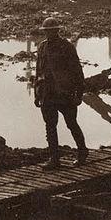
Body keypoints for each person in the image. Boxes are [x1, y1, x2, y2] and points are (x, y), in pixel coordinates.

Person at [35, 17, 88, 170]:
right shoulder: (42, 47)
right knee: (50, 127)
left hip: (65, 93)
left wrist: (79, 93)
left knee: (71, 124)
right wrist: (37, 94)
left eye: (52, 30)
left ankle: (82, 152)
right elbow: (39, 71)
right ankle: (54, 159)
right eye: (46, 31)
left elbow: (77, 71)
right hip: (47, 93)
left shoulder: (67, 47)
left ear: (57, 31)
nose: (49, 33)